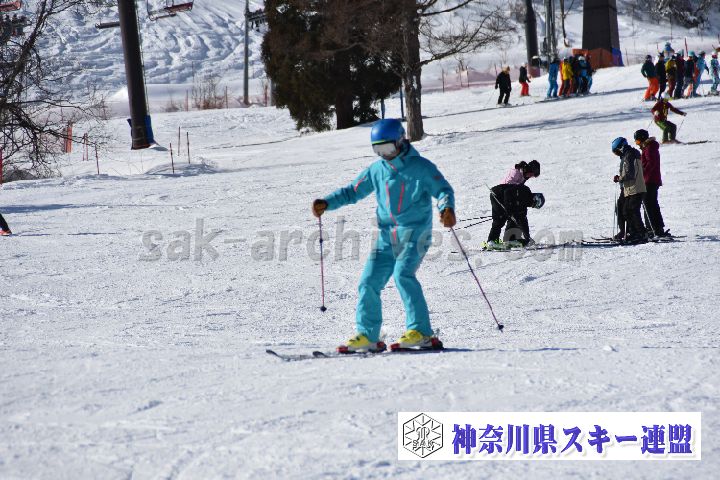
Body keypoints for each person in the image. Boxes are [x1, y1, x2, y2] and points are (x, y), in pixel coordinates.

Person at [312, 118, 455, 353]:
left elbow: (442, 190)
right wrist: (327, 202)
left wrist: (446, 208)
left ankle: (421, 332)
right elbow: (352, 192)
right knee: (368, 282)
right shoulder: (377, 170)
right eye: (378, 150)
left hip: (416, 234)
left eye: (387, 148)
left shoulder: (421, 167)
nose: (384, 155)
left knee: (403, 275)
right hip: (387, 237)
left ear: (400, 142)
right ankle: (368, 335)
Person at [483, 160, 543, 250]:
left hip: (507, 197)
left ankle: (510, 239)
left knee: (514, 216)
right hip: (499, 195)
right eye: (532, 174)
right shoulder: (516, 172)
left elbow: (515, 193)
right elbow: (507, 190)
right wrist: (509, 207)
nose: (531, 177)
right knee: (500, 219)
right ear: (529, 169)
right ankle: (492, 241)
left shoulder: (523, 177)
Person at [634, 129, 670, 238]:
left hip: (649, 180)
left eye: (637, 141)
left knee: (648, 204)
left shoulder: (649, 148)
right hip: (651, 180)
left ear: (642, 139)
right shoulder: (649, 147)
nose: (637, 143)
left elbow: (651, 163)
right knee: (652, 204)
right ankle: (657, 228)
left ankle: (652, 229)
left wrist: (642, 173)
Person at [611, 138, 647, 243]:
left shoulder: (629, 155)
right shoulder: (628, 154)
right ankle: (631, 232)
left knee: (631, 210)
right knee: (626, 210)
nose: (616, 154)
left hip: (635, 187)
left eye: (616, 151)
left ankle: (640, 233)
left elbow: (629, 173)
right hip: (631, 187)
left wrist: (619, 178)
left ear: (621, 148)